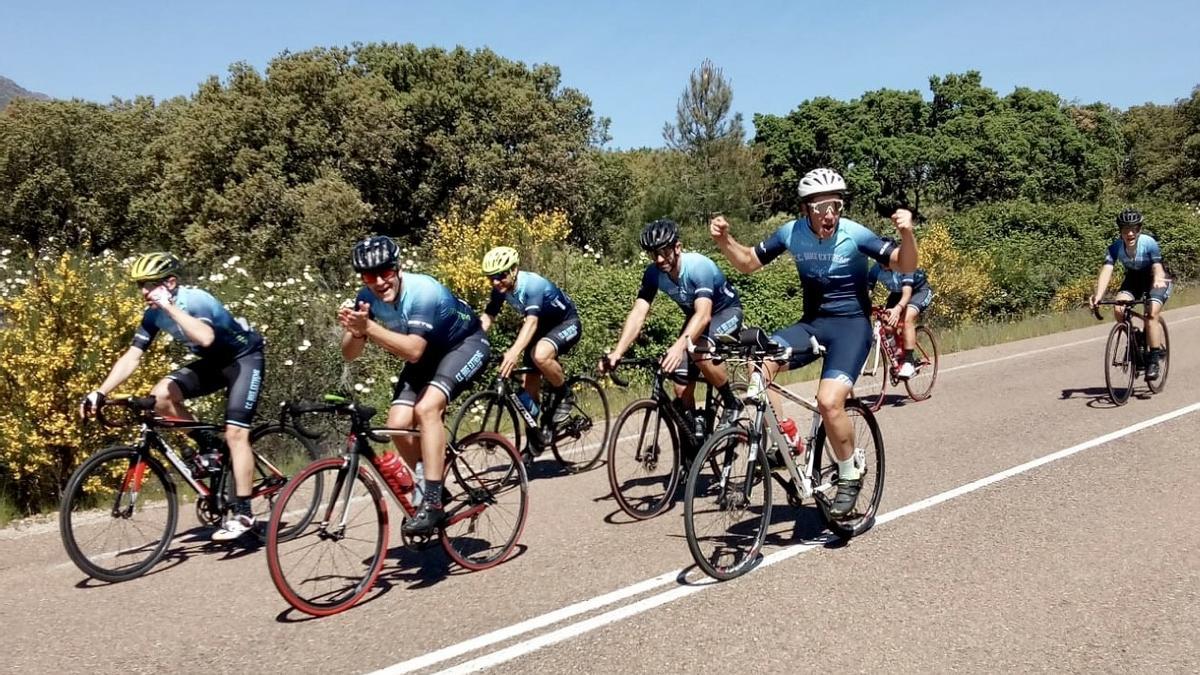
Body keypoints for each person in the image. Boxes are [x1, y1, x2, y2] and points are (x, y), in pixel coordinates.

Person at [710, 168, 917, 517]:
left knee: (828, 402)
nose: (830, 214)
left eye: (835, 205)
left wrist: (907, 233)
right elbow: (747, 262)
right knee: (758, 363)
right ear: (806, 209)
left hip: (852, 327)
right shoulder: (792, 233)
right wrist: (724, 241)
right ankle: (789, 441)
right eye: (821, 207)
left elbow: (905, 262)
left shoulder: (854, 234)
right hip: (813, 325)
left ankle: (850, 470)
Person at [80, 252, 266, 541]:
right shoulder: (153, 314)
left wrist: (169, 307)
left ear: (170, 282)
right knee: (161, 396)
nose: (143, 292)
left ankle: (243, 513)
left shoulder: (195, 299)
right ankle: (208, 445)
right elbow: (132, 356)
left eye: (150, 284)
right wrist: (100, 392)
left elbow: (205, 337)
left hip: (244, 360)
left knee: (236, 435)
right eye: (139, 285)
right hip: (214, 365)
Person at [338, 236, 490, 535]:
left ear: (398, 267)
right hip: (426, 355)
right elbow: (349, 354)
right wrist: (356, 332)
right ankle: (432, 480)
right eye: (370, 276)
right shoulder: (365, 298)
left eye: (386, 272)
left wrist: (368, 327)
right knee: (396, 425)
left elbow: (413, 351)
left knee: (427, 408)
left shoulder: (422, 291)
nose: (380, 281)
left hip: (465, 344)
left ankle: (431, 500)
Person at [598, 219, 745, 432]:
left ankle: (732, 403)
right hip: (696, 316)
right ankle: (695, 441)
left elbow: (704, 315)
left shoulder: (698, 266)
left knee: (697, 350)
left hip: (725, 312)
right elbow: (639, 312)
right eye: (653, 254)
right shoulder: (653, 274)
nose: (659, 259)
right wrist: (617, 352)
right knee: (680, 387)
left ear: (677, 247)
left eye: (664, 252)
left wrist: (679, 347)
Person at [479, 246, 581, 456]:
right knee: (528, 392)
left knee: (539, 355)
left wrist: (514, 351)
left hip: (566, 323)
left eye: (500, 275)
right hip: (542, 330)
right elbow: (488, 317)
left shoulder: (532, 284)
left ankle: (564, 394)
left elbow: (532, 322)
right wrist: (472, 342)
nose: (496, 282)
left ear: (514, 270)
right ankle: (535, 442)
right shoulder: (500, 289)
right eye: (491, 278)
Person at [1088, 208, 1172, 380]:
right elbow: (1107, 270)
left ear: (1140, 229)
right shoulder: (1115, 247)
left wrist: (1157, 278)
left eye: (1134, 228)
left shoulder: (1149, 243)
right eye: (1125, 229)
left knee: (1151, 314)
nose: (1130, 233)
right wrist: (1098, 295)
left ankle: (1154, 360)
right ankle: (1137, 338)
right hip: (1134, 279)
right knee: (1119, 310)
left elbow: (1157, 266)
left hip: (1157, 278)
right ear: (1120, 231)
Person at [866, 252, 934, 379]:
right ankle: (899, 354)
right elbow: (867, 292)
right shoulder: (875, 269)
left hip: (919, 291)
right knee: (886, 323)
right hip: (897, 293)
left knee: (907, 319)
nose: (883, 264)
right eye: (880, 261)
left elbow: (907, 295)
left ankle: (909, 361)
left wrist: (898, 310)